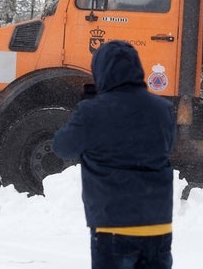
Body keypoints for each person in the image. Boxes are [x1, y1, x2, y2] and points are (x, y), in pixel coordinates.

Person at [52, 40, 176, 269]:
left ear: (100, 70)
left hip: (114, 229)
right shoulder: (163, 109)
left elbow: (62, 146)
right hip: (157, 226)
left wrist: (87, 110)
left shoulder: (92, 112)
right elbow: (165, 148)